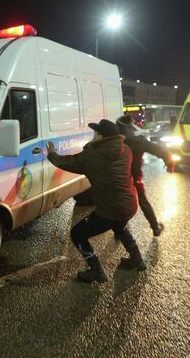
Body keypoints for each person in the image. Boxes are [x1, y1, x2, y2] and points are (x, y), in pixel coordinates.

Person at [46, 119, 145, 284]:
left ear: (102, 136)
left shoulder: (93, 156)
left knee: (77, 234)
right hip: (130, 203)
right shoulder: (126, 150)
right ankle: (138, 260)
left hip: (111, 208)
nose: (93, 136)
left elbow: (66, 162)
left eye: (95, 133)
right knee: (119, 225)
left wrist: (51, 153)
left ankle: (96, 270)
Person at [117, 115, 174, 236]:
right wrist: (169, 163)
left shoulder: (114, 139)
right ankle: (155, 227)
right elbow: (161, 150)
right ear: (131, 126)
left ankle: (119, 231)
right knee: (142, 201)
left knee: (120, 202)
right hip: (133, 177)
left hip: (116, 178)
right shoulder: (138, 141)